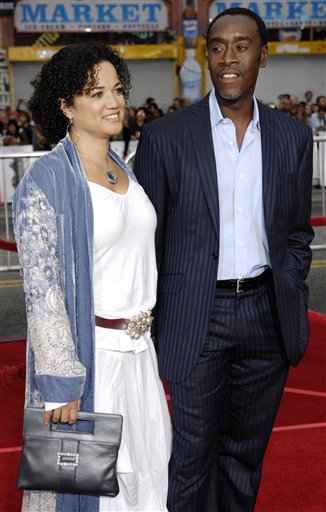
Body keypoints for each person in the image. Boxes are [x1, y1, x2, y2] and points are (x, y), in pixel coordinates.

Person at [134, 7, 313, 512]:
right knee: (190, 458)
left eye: (241, 46)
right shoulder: (166, 136)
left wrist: (291, 286)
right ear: (205, 55)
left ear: (263, 54)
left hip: (266, 316)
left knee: (244, 456)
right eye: (216, 47)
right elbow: (150, 237)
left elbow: (297, 233)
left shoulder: (292, 137)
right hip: (196, 315)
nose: (227, 58)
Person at [13, 43, 171, 512]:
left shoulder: (124, 169)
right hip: (92, 362)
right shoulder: (46, 181)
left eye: (118, 90)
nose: (113, 102)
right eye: (96, 93)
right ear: (65, 105)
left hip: (141, 355)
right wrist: (62, 382)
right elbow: (41, 290)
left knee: (149, 478)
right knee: (98, 495)